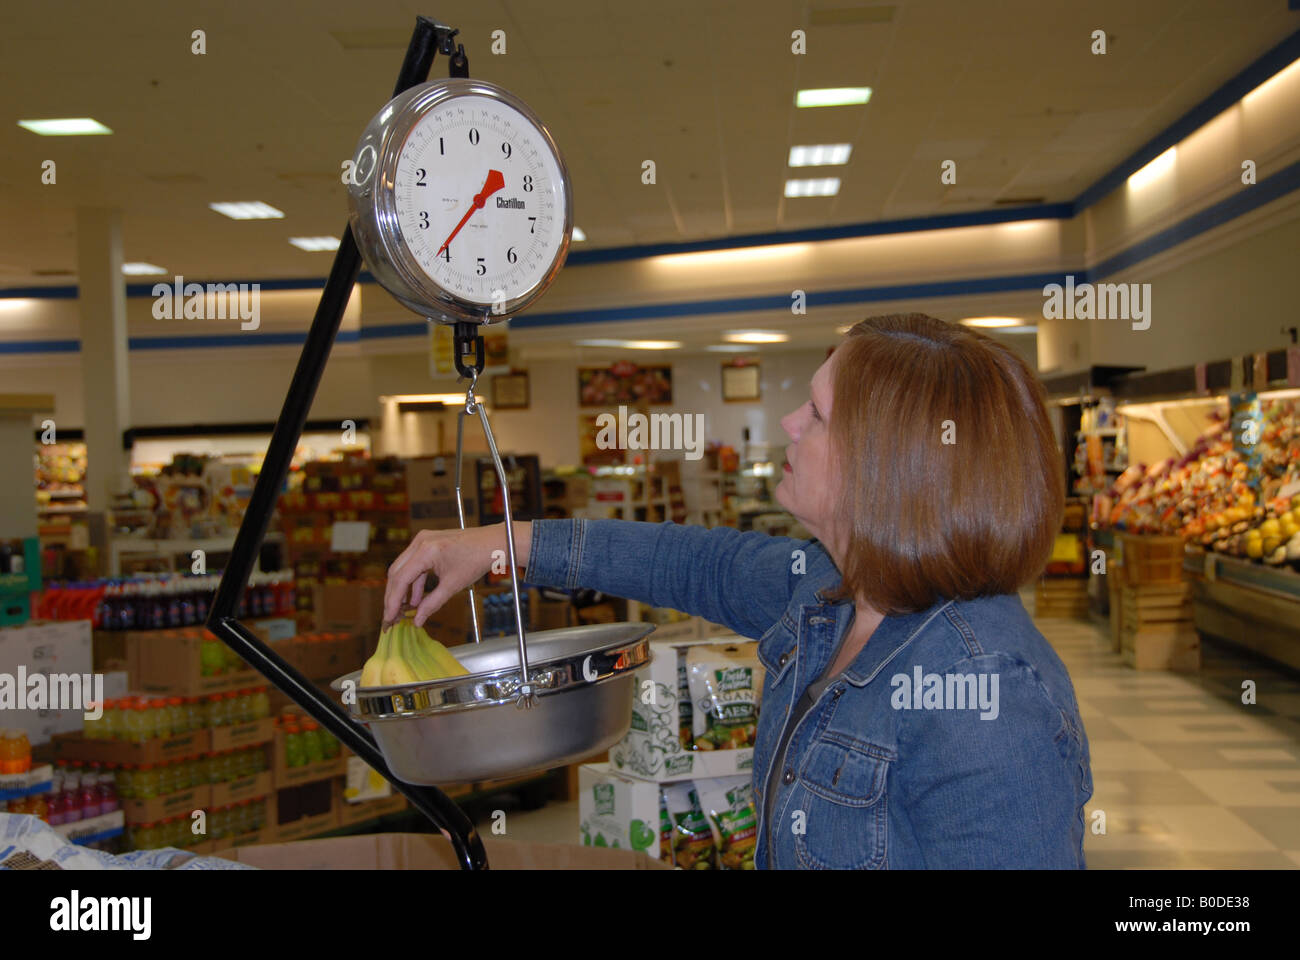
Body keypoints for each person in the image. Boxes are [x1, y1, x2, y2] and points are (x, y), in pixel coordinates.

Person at [385, 313, 1093, 869]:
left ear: (886, 467)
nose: (788, 423)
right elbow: (694, 564)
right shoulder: (828, 592)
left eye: (816, 414)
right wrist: (503, 544)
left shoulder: (988, 696)